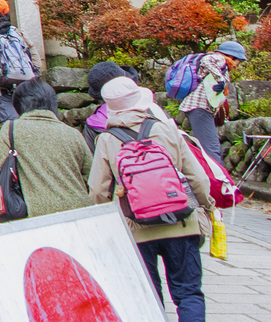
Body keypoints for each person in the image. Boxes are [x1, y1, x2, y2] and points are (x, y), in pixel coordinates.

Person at [90, 76, 215, 322]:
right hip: (181, 222)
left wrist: (105, 226)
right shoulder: (167, 129)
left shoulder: (106, 140)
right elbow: (198, 178)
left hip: (136, 227)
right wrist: (207, 207)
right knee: (188, 292)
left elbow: (97, 191)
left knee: (148, 295)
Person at [0, 79, 95, 218]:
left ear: (18, 105)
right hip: (79, 210)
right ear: (53, 104)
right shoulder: (74, 134)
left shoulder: (11, 129)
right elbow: (90, 175)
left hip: (36, 212)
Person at [178, 41, 247, 163]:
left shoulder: (223, 66)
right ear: (232, 56)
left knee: (207, 147)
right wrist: (220, 79)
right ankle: (219, 180)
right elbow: (207, 60)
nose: (238, 64)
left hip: (199, 108)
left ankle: (210, 177)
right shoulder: (220, 58)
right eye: (239, 60)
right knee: (212, 148)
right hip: (200, 108)